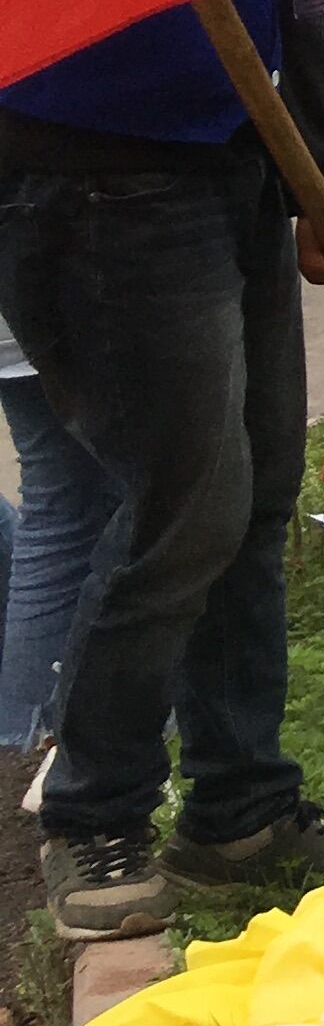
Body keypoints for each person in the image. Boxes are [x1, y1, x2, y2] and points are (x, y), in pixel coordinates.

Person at [0, 0, 324, 937]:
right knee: (185, 507)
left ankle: (240, 810)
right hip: (88, 169)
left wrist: (316, 182)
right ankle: (93, 812)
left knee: (258, 496)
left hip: (238, 156)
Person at [1, 296, 120, 761]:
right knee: (83, 512)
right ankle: (47, 752)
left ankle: (28, 745)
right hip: (75, 290)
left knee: (60, 511)